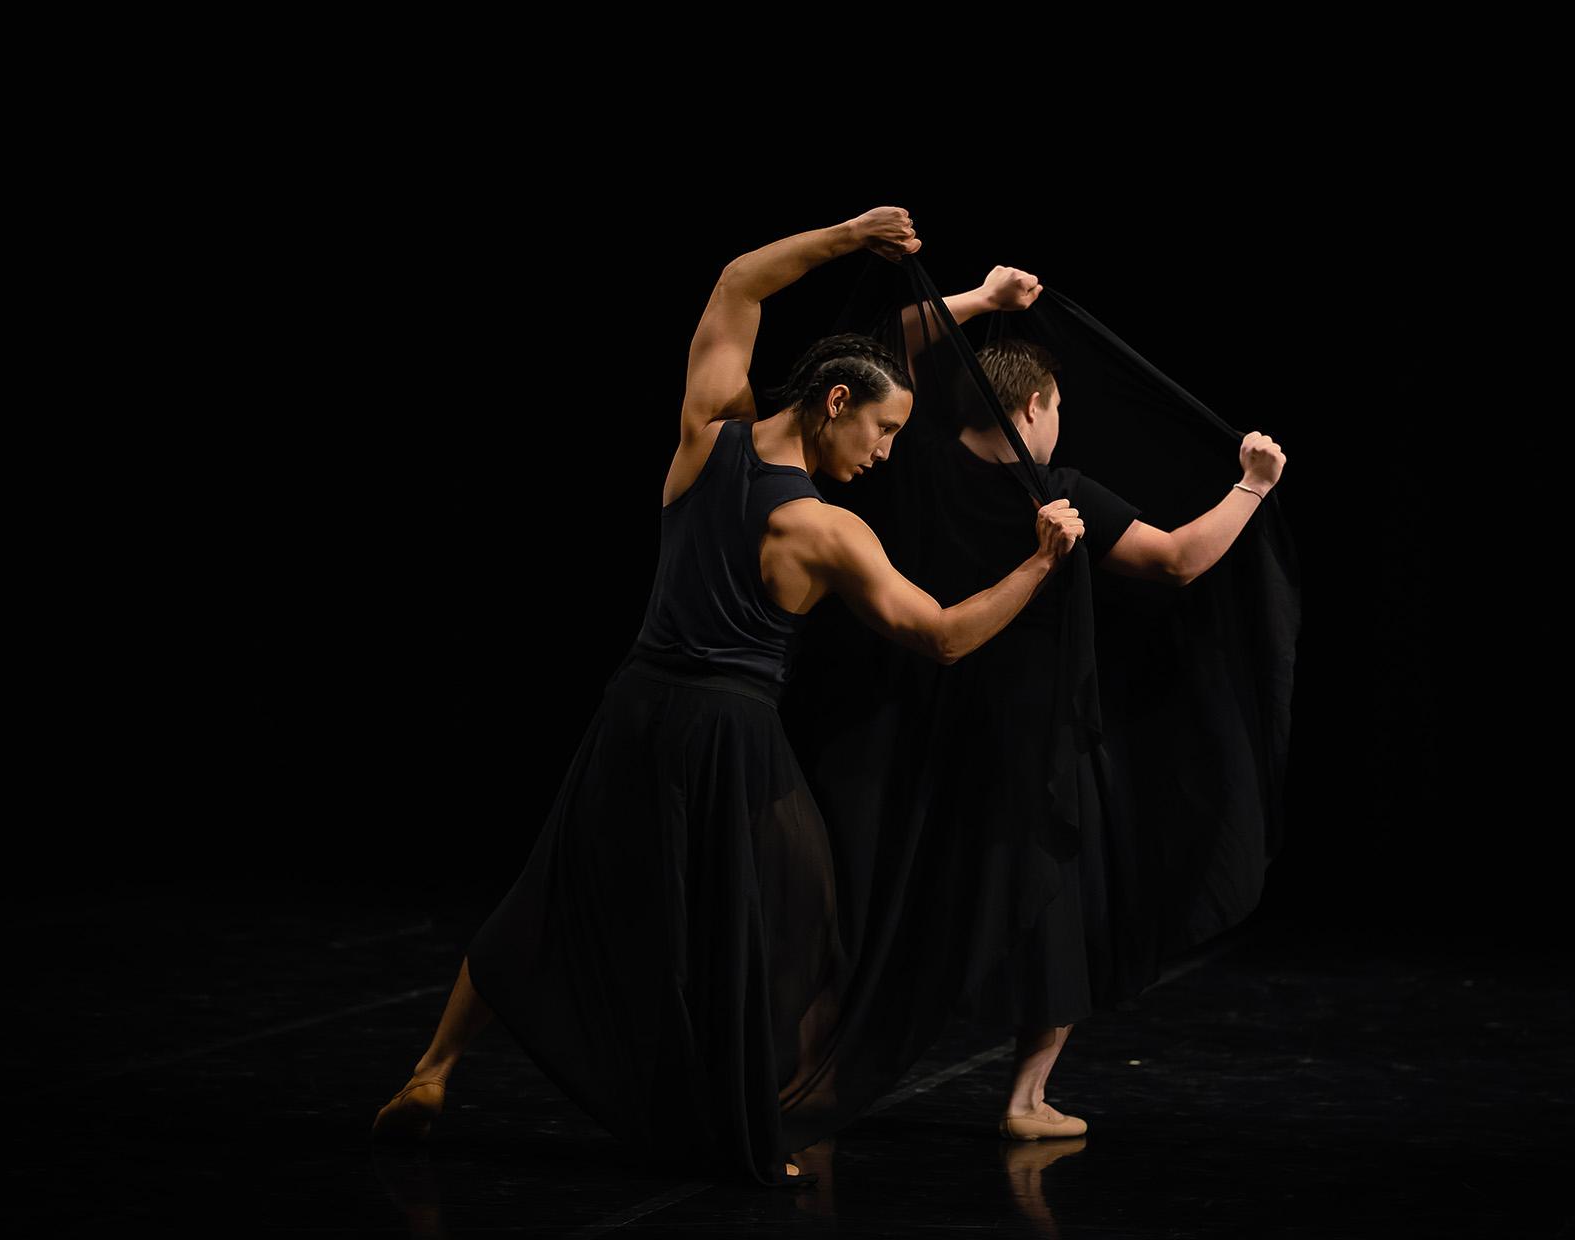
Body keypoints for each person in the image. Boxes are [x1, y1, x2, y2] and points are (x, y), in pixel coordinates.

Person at [369, 212, 1087, 1190]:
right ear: (836, 402)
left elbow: (738, 282)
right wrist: (1041, 562)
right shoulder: (826, 530)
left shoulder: (706, 434)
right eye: (882, 430)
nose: (884, 453)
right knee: (795, 919)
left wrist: (852, 235)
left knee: (555, 893)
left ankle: (432, 1070)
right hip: (730, 733)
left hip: (633, 708)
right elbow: (945, 636)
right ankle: (757, 1117)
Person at [896, 267, 1288, 1140]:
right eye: (1058, 408)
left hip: (925, 725)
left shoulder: (922, 465)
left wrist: (981, 300)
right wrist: (1254, 485)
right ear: (1034, 404)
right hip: (1035, 732)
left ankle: (829, 1071)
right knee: (1059, 901)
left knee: (918, 893)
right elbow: (1179, 560)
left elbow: (899, 335)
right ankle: (1025, 1097)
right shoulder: (1056, 492)